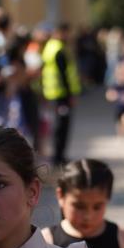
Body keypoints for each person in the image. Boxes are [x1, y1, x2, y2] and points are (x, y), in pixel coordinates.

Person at [41, 24, 81, 167]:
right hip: (61, 94)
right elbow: (64, 74)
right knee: (62, 126)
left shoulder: (50, 47)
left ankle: (58, 155)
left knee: (57, 126)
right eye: (67, 33)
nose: (68, 36)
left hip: (52, 93)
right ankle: (58, 156)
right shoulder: (59, 49)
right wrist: (71, 95)